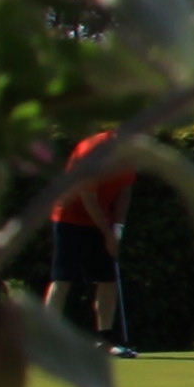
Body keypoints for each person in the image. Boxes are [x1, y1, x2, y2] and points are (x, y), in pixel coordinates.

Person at [47, 133, 134, 355]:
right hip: (69, 217)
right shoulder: (90, 152)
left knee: (107, 279)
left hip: (102, 219)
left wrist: (118, 228)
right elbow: (89, 200)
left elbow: (125, 191)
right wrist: (107, 233)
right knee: (63, 278)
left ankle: (105, 339)